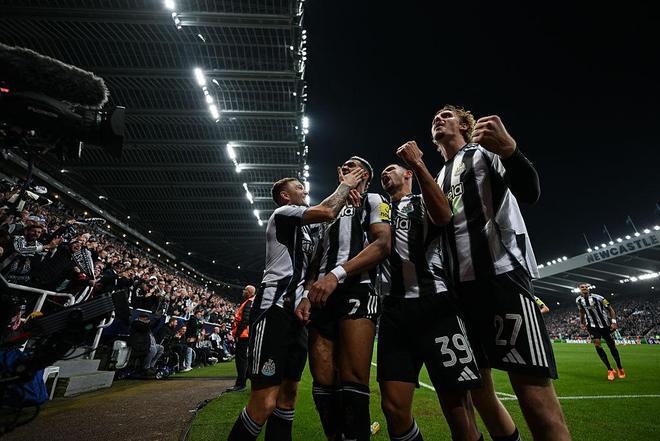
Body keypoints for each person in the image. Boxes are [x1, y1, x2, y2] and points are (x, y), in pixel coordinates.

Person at [433, 105, 570, 441]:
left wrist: (510, 149)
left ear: (464, 125)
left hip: (501, 278)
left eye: (446, 115)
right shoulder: (437, 177)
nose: (438, 118)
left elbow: (530, 192)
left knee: (533, 393)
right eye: (435, 117)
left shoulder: (484, 153)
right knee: (480, 392)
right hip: (459, 292)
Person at [227, 167, 364, 441]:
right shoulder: (283, 214)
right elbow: (327, 211)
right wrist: (346, 185)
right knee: (264, 402)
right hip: (273, 310)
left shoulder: (307, 231)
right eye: (299, 187)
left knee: (288, 397)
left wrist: (305, 297)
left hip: (297, 317)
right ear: (285, 196)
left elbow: (316, 255)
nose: (304, 190)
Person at [378, 157, 483, 441]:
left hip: (435, 305)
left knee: (457, 406)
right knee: (393, 408)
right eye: (383, 171)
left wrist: (418, 163)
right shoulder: (378, 209)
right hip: (393, 311)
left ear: (408, 175)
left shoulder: (424, 200)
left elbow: (445, 216)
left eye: (391, 168)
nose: (385, 172)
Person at [297, 156, 391, 441]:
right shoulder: (329, 210)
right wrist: (306, 294)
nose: (347, 167)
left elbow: (383, 244)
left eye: (354, 165)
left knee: (353, 379)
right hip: (320, 296)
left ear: (366, 176)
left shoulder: (374, 200)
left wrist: (335, 275)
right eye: (345, 166)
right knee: (323, 382)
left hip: (357, 290)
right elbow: (316, 259)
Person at [575, 282, 625, 381]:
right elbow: (581, 311)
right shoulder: (578, 300)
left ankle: (620, 367)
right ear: (579, 289)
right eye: (582, 287)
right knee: (597, 344)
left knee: (612, 346)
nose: (584, 288)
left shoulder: (599, 298)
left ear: (589, 288)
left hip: (605, 325)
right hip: (592, 325)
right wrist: (582, 322)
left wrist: (614, 322)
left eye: (586, 287)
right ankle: (610, 369)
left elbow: (610, 310)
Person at [227, 285, 256, 392]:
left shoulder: (249, 302)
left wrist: (238, 334)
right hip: (246, 334)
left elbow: (245, 320)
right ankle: (247, 376)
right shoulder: (251, 301)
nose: (243, 291)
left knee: (241, 359)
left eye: (245, 290)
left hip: (243, 335)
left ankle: (240, 384)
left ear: (249, 292)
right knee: (244, 358)